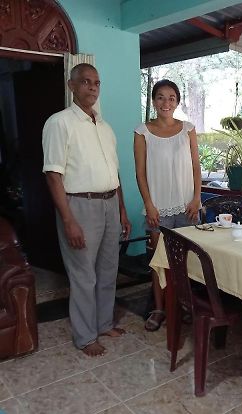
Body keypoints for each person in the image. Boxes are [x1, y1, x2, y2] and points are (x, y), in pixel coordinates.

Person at [42, 63, 131, 357]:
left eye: (96, 82)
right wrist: (68, 220)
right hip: (79, 206)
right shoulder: (59, 123)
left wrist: (122, 211)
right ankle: (84, 336)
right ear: (72, 86)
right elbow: (53, 175)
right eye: (85, 82)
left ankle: (104, 323)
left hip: (109, 204)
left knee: (108, 270)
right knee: (83, 274)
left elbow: (115, 174)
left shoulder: (105, 127)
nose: (92, 87)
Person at [133, 79, 201, 331]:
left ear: (177, 101)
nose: (166, 102)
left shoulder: (188, 129)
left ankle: (185, 305)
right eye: (160, 97)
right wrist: (148, 204)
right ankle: (159, 308)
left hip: (188, 207)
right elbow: (140, 173)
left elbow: (196, 166)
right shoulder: (142, 132)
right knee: (158, 261)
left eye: (171, 97)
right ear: (153, 101)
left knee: (187, 262)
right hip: (158, 210)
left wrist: (197, 198)